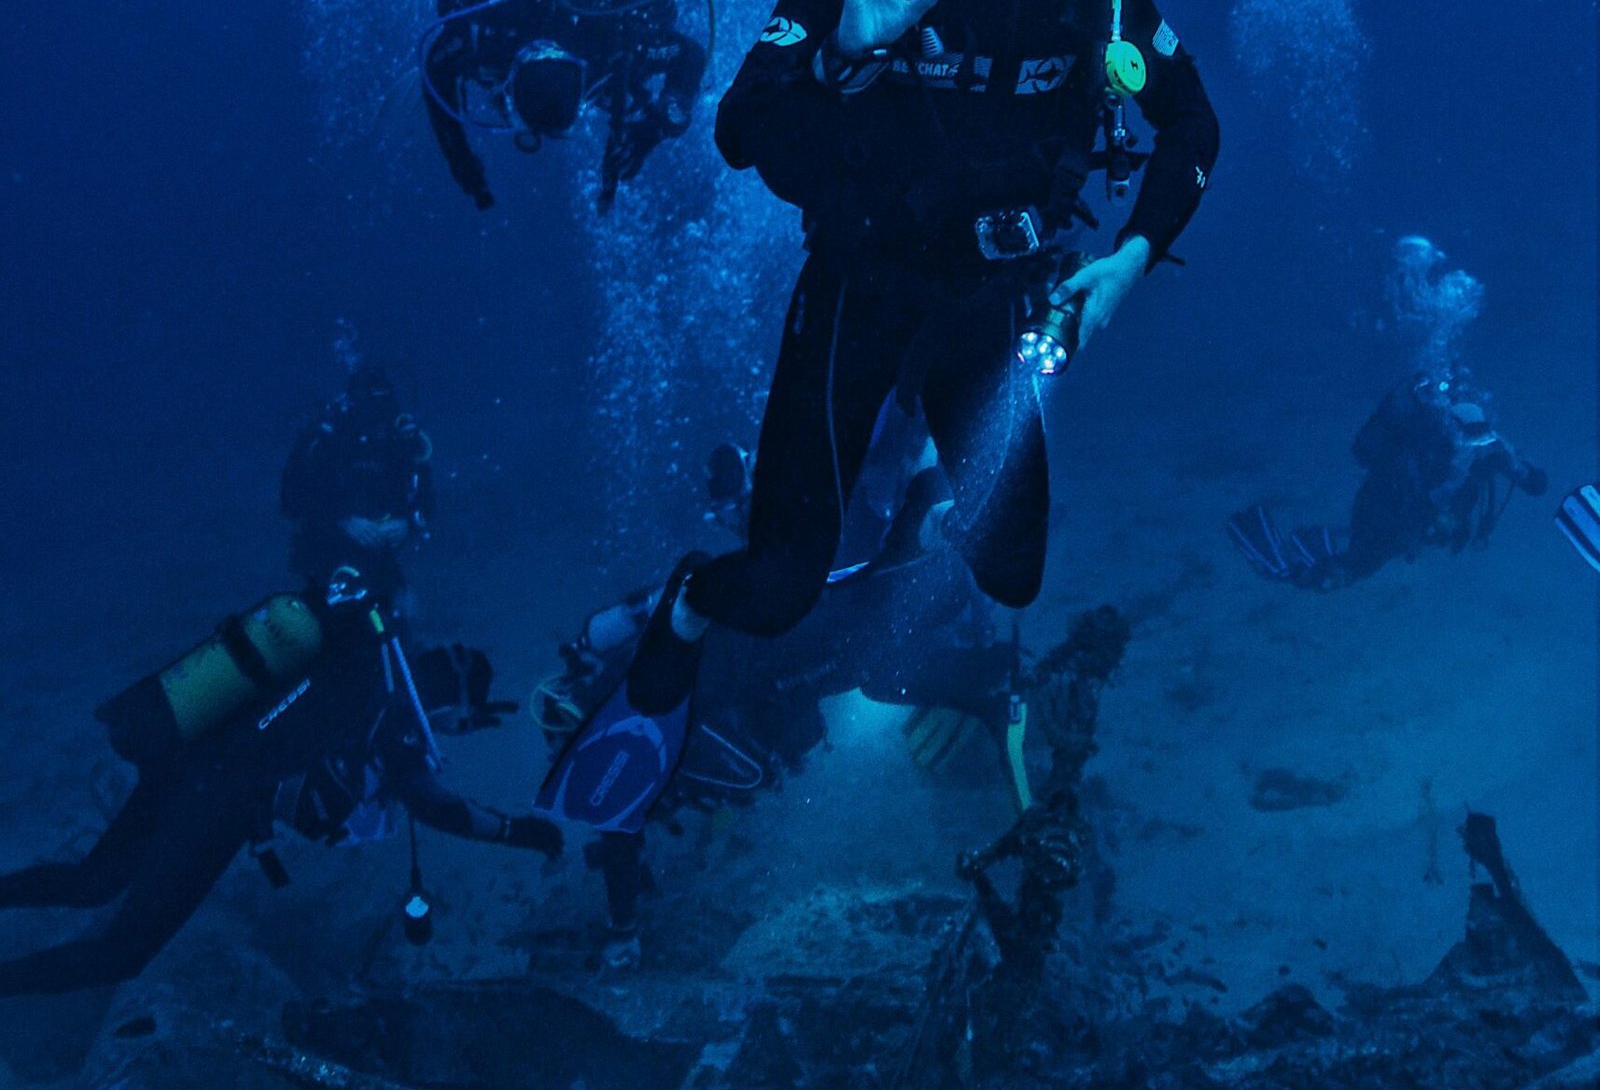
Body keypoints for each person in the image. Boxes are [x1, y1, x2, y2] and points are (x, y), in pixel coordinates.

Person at [539, 0, 1220, 834]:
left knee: (1012, 572)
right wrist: (840, 49)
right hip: (861, 286)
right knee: (775, 583)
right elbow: (740, 128)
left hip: (989, 300)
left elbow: (1192, 121)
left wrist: (1129, 259)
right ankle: (683, 606)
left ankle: (905, 541)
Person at [538, 413, 1025, 963]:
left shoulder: (623, 722)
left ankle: (986, 665)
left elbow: (632, 816)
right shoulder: (642, 684)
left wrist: (623, 934)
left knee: (871, 645)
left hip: (793, 646)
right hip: (790, 650)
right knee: (871, 652)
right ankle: (985, 666)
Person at [0, 571, 558, 996]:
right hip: (218, 804)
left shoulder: (361, 660)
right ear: (457, 711)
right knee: (121, 956)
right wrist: (525, 832)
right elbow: (441, 812)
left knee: (91, 883)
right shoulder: (394, 718)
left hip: (187, 757)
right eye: (462, 721)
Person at [420, 0, 707, 213]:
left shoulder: (493, 37)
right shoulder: (612, 46)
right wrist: (656, 127)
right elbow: (687, 55)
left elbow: (436, 68)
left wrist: (464, 166)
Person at [1229, 370, 1548, 590]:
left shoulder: (1489, 450)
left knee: (1358, 563)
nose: (1472, 449)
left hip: (1413, 522)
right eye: (1468, 440)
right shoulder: (1423, 443)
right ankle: (1283, 560)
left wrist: (1513, 459)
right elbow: (1397, 496)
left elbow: (1536, 486)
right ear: (1450, 428)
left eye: (1481, 441)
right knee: (1346, 572)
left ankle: (1312, 546)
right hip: (1390, 510)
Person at [280, 363, 434, 606]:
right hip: (325, 551)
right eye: (369, 408)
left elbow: (424, 499)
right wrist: (341, 520)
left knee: (396, 613)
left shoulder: (401, 439)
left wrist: (407, 523)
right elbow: (291, 501)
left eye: (383, 407)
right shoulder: (324, 440)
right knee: (339, 618)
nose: (376, 419)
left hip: (381, 555)